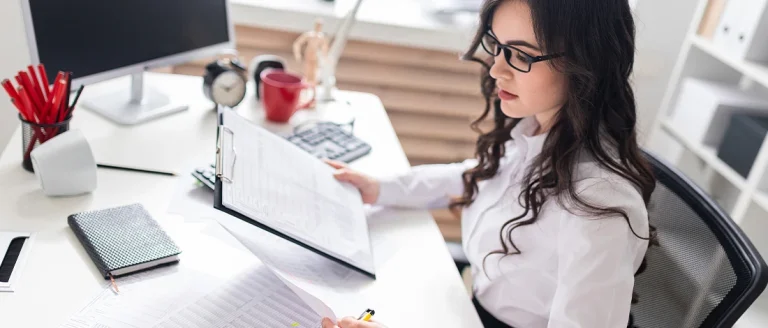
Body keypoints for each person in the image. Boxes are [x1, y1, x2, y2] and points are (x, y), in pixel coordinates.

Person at [322, 0, 656, 327]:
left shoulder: (600, 207)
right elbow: (475, 175)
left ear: (587, 62)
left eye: (522, 54)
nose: (497, 68)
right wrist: (380, 188)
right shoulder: (537, 135)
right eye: (496, 44)